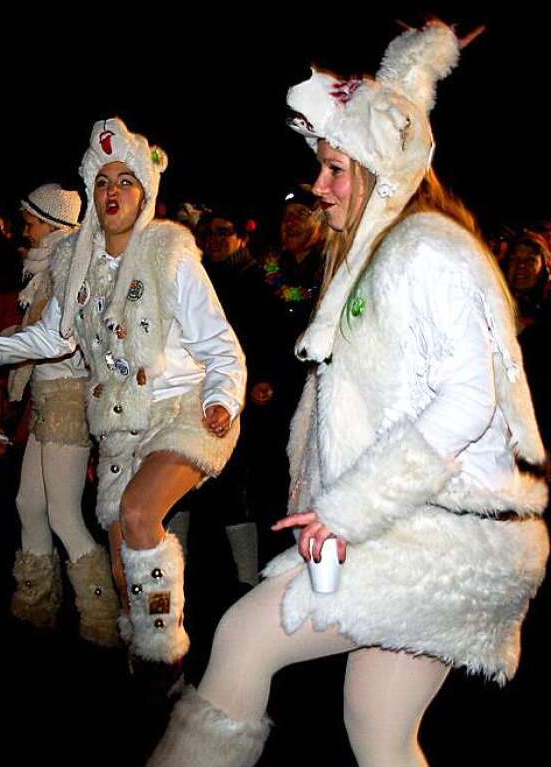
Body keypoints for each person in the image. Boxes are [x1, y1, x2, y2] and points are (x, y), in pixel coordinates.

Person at [149, 22, 548, 767]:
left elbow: (468, 400)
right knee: (379, 728)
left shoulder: (429, 249)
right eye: (321, 168)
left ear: (384, 168)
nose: (320, 186)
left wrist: (345, 510)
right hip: (430, 530)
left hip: (447, 539)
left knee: (240, 638)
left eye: (337, 168)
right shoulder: (382, 256)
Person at [0, 118, 245, 689]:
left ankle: (164, 659)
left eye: (125, 180)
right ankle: (140, 648)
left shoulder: (171, 255)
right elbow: (55, 336)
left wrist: (223, 397)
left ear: (145, 193)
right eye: (102, 181)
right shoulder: (76, 263)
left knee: (140, 512)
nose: (112, 191)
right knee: (123, 563)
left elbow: (221, 345)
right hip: (119, 424)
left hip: (184, 410)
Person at [4, 183, 121, 645]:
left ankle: (100, 617)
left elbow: (64, 338)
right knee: (28, 504)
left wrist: (1, 348)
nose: (24, 228)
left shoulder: (70, 265)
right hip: (49, 399)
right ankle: (35, 603)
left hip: (68, 400)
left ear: (52, 224)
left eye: (30, 221)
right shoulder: (47, 265)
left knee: (64, 516)